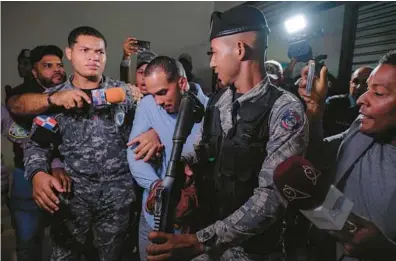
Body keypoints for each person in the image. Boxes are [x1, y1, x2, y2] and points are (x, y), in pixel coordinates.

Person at [146, 5, 309, 261]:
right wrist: (182, 167)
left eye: (214, 53)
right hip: (209, 241)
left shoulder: (284, 110)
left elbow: (271, 198)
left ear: (240, 50)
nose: (211, 62)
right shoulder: (219, 100)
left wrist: (201, 242)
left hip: (252, 251)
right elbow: (202, 147)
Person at [22, 26, 161, 261]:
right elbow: (36, 145)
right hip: (73, 198)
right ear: (69, 53)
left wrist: (155, 132)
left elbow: (161, 117)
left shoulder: (125, 94)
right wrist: (37, 174)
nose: (93, 57)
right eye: (85, 50)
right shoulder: (56, 98)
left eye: (100, 52)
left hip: (118, 197)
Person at [301, 50, 396, 261]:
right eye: (366, 88)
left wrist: (387, 252)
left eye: (378, 93)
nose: (361, 99)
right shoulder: (360, 129)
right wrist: (315, 111)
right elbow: (315, 155)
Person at [127, 56, 208, 261]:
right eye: (153, 94)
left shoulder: (211, 109)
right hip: (153, 215)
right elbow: (134, 153)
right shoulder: (148, 105)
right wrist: (156, 187)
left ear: (182, 83)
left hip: (190, 220)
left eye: (163, 92)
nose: (158, 102)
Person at [4, 45, 69, 261]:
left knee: (66, 242)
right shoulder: (17, 95)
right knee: (28, 239)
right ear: (34, 71)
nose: (56, 70)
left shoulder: (71, 95)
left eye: (59, 65)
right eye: (48, 66)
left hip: (67, 180)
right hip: (27, 176)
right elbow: (15, 118)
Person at [323, 66, 373, 137]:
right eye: (355, 81)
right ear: (350, 83)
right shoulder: (332, 103)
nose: (359, 86)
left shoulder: (378, 111)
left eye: (365, 82)